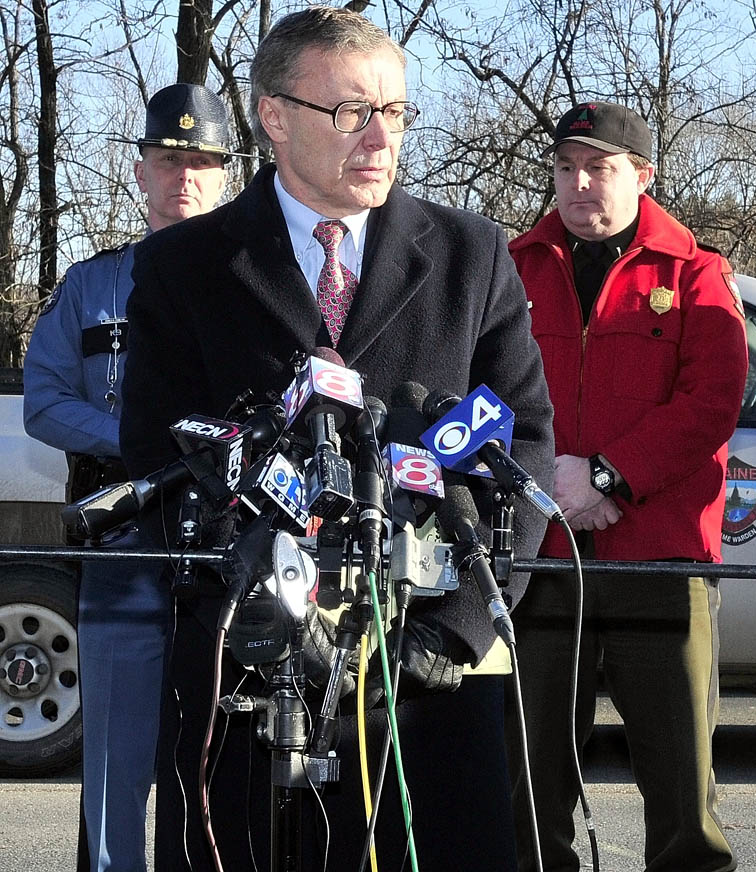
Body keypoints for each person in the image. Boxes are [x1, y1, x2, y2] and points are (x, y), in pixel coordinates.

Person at [118, 7, 554, 872]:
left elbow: (525, 447)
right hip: (247, 687)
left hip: (426, 688)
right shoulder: (184, 266)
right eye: (351, 112)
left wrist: (455, 630)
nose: (379, 136)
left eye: (394, 112)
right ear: (273, 117)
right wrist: (265, 610)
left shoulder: (472, 254)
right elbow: (157, 457)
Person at [506, 100, 748, 872]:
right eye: (565, 168)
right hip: (541, 551)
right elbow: (485, 394)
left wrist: (610, 475)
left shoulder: (696, 272)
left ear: (642, 176)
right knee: (529, 775)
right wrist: (549, 482)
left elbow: (712, 399)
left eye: (600, 168)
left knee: (682, 783)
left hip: (662, 558)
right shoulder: (513, 267)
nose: (579, 185)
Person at [23, 82, 234, 872]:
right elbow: (43, 400)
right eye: (168, 159)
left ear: (224, 175)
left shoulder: (256, 287)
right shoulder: (92, 286)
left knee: (218, 767)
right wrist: (144, 444)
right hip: (123, 542)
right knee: (114, 769)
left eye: (202, 162)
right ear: (140, 171)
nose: (185, 175)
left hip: (226, 546)